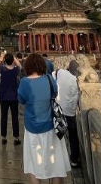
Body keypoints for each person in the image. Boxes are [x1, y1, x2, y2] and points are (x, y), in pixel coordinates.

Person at [18, 53, 70, 184]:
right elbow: (54, 93)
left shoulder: (24, 82)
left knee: (34, 164)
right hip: (50, 126)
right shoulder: (48, 79)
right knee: (56, 162)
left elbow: (22, 100)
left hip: (32, 127)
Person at [54, 60, 82, 168]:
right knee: (73, 135)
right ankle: (74, 159)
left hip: (59, 109)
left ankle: (58, 158)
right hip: (70, 112)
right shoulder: (76, 80)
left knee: (58, 134)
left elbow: (55, 73)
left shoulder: (60, 72)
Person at [0, 52, 22, 146]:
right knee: (15, 117)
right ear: (13, 61)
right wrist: (14, 58)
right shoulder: (16, 70)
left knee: (4, 116)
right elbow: (19, 65)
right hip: (14, 96)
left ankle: (4, 137)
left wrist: (1, 58)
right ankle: (16, 137)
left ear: (5, 61)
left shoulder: (2, 69)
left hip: (3, 96)